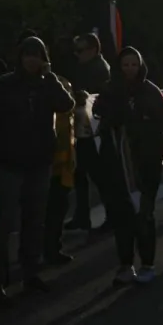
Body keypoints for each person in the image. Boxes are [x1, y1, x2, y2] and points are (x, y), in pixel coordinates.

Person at [0, 35, 74, 294]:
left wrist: (52, 78)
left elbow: (66, 104)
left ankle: (30, 272)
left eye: (37, 55)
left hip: (38, 162)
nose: (32, 60)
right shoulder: (5, 85)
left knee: (34, 220)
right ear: (20, 57)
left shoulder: (47, 85)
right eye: (28, 54)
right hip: (9, 163)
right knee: (4, 223)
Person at [94, 47, 163, 284]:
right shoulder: (109, 90)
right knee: (122, 215)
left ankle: (147, 263)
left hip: (147, 162)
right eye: (125, 64)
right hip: (117, 161)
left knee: (144, 213)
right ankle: (125, 264)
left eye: (134, 64)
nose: (130, 69)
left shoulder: (150, 90)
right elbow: (100, 115)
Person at [63, 32, 111, 232]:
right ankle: (82, 216)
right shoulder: (86, 67)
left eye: (81, 50)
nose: (77, 54)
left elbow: (101, 97)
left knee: (99, 175)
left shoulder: (99, 69)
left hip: (93, 130)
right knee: (81, 174)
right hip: (83, 127)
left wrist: (84, 96)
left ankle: (110, 215)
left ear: (93, 49)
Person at [41, 68, 79, 267]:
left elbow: (69, 112)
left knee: (57, 209)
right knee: (40, 212)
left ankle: (53, 248)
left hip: (62, 163)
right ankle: (39, 252)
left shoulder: (59, 82)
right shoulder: (27, 88)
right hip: (41, 162)